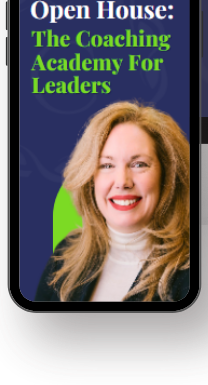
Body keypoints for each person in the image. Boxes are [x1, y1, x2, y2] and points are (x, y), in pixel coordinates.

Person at [35, 101, 191, 301]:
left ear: (168, 175)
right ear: (90, 178)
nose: (122, 182)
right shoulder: (65, 256)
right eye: (107, 165)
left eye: (139, 164)